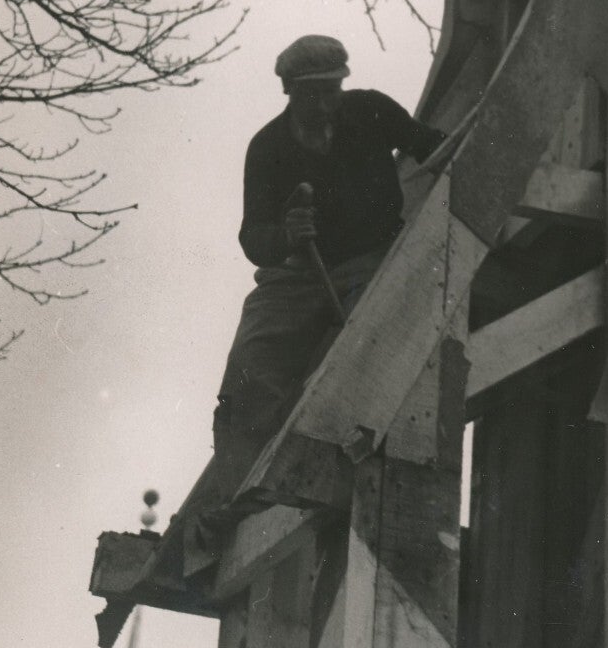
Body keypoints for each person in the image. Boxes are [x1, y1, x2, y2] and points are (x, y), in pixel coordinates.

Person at [186, 34, 444, 557]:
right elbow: (253, 239)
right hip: (299, 273)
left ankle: (333, 454)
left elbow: (429, 145)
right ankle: (237, 493)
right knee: (252, 365)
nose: (327, 104)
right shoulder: (268, 148)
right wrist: (285, 235)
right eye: (314, 95)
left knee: (369, 344)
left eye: (333, 90)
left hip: (374, 258)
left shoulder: (370, 111)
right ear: (289, 91)